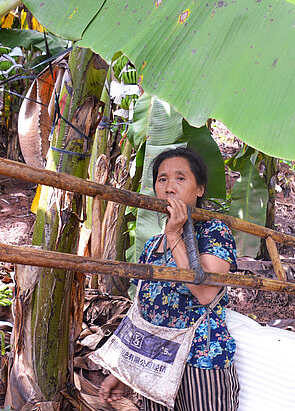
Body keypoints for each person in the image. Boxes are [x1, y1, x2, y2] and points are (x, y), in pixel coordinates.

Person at [98, 146, 239, 411]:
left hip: (201, 362)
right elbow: (144, 314)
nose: (169, 187)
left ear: (200, 189)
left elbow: (206, 294)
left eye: (180, 178)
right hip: (156, 365)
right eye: (162, 179)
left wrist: (175, 235)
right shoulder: (152, 245)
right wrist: (124, 374)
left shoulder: (214, 231)